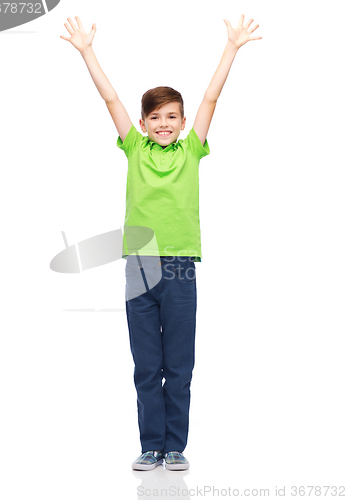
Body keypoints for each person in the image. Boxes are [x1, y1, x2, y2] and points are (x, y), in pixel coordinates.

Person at [60, 14, 262, 471]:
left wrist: (231, 47)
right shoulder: (134, 148)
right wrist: (87, 51)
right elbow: (109, 97)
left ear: (184, 121)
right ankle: (152, 445)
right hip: (140, 266)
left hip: (180, 266)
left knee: (180, 366)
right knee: (147, 365)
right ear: (145, 122)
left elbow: (212, 96)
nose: (165, 124)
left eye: (173, 117)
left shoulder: (192, 149)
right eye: (156, 118)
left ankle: (176, 448)